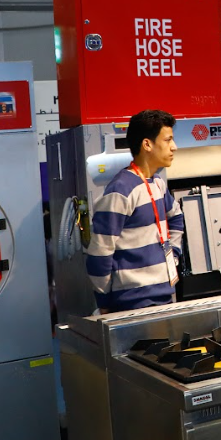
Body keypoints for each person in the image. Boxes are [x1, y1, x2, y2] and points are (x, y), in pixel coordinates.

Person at [86, 109, 184, 312]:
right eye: (168, 140)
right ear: (147, 144)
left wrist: (172, 255)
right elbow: (99, 253)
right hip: (129, 305)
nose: (174, 147)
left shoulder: (157, 183)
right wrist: (105, 300)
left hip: (164, 298)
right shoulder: (120, 190)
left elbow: (176, 218)